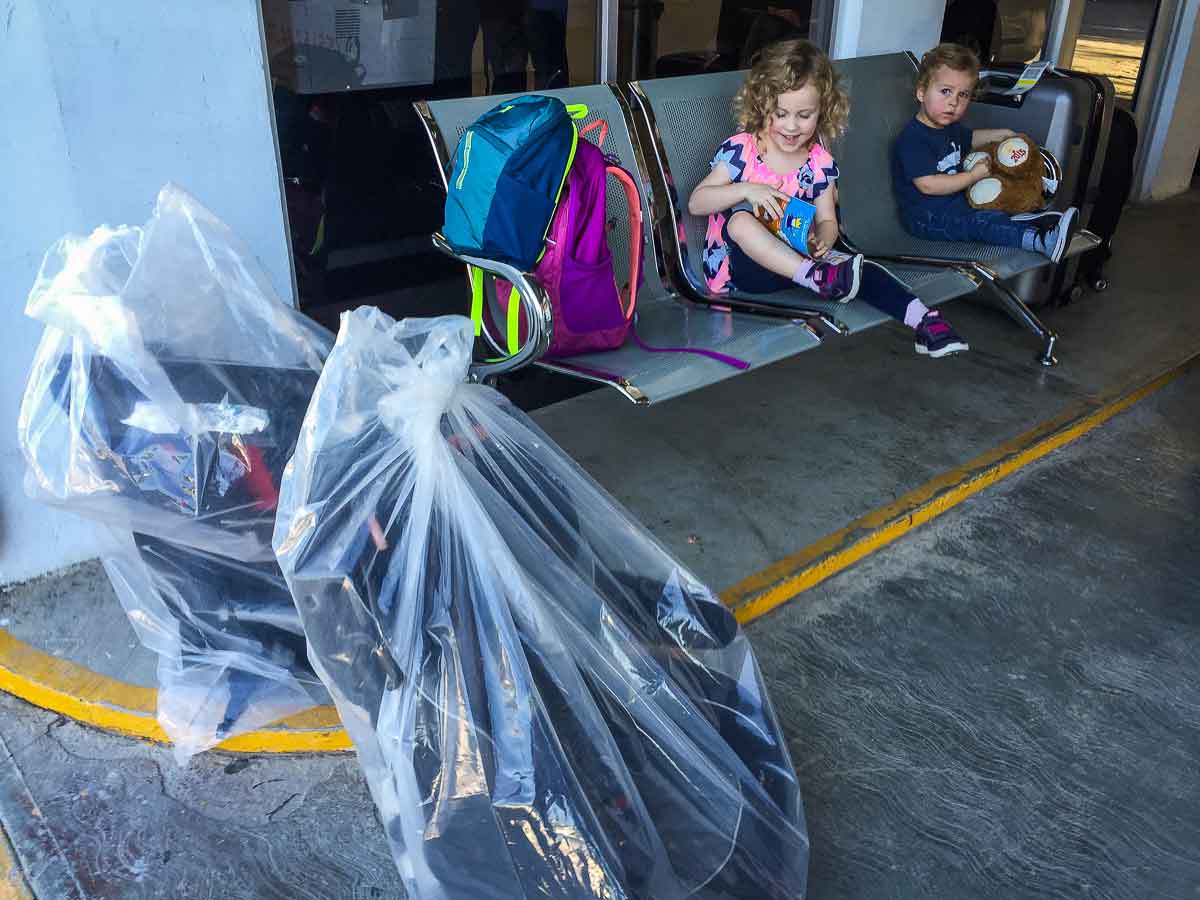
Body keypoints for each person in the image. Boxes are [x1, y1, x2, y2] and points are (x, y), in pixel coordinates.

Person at [688, 39, 971, 358]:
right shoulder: (744, 150)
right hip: (746, 271)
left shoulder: (819, 162)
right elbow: (697, 202)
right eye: (781, 113)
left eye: (804, 115)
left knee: (860, 269)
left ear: (823, 111)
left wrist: (822, 240)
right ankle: (814, 276)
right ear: (762, 105)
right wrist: (746, 189)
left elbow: (827, 220)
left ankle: (925, 322)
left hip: (802, 264)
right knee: (741, 220)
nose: (792, 126)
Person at [893, 42, 1078, 264]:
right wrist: (972, 177)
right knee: (981, 224)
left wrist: (1001, 135)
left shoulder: (948, 128)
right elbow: (928, 185)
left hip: (955, 206)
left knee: (994, 206)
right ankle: (1040, 241)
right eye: (945, 91)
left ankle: (1032, 220)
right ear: (922, 92)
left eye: (963, 95)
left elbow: (970, 138)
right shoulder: (913, 139)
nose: (953, 102)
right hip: (926, 218)